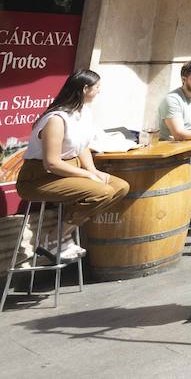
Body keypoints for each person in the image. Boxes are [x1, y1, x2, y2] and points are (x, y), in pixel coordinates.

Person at [16, 70, 129, 263]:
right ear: (85, 89)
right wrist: (86, 176)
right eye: (97, 88)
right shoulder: (56, 119)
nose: (99, 92)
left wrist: (92, 170)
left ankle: (60, 236)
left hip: (67, 171)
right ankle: (53, 239)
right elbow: (51, 163)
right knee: (102, 192)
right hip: (39, 177)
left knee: (120, 187)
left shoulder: (83, 111)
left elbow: (82, 146)